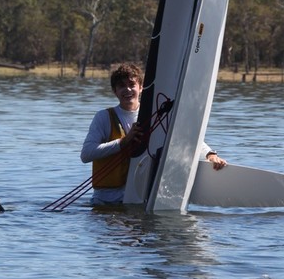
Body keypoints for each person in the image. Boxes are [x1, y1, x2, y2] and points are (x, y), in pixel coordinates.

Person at [80, 62, 226, 205]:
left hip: (142, 200)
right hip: (106, 202)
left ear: (141, 87)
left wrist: (210, 155)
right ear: (114, 91)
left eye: (132, 85)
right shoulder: (103, 117)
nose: (127, 90)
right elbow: (86, 154)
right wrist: (124, 141)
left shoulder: (156, 114)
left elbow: (186, 139)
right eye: (121, 86)